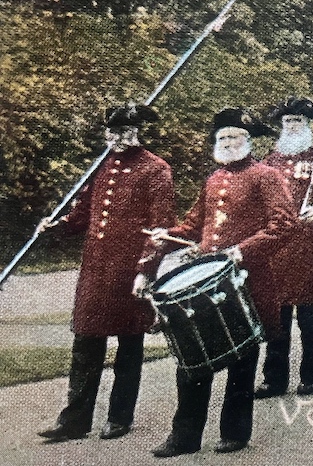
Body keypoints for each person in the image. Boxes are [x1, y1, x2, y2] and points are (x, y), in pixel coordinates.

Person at [143, 108, 294, 457]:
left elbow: (284, 225)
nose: (227, 143)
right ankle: (184, 436)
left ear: (248, 140)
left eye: (234, 137)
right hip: (207, 280)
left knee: (242, 361)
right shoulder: (213, 179)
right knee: (193, 355)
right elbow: (193, 226)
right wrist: (168, 236)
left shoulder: (266, 176)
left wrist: (241, 251)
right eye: (222, 137)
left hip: (247, 279)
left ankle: (235, 432)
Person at [37, 105, 175, 443]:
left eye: (124, 131)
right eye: (112, 132)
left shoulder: (156, 169)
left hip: (129, 270)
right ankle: (74, 420)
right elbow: (83, 213)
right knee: (86, 341)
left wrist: (146, 270)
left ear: (136, 131)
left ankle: (119, 417)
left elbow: (161, 227)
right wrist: (57, 226)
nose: (116, 138)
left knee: (129, 343)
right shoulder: (102, 164)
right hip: (96, 270)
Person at [255, 97, 313, 398]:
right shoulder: (269, 162)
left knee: (309, 320)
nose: (292, 126)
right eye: (288, 121)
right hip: (277, 251)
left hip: (308, 249)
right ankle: (274, 379)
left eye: (298, 121)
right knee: (276, 320)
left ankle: (311, 376)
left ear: (307, 125)